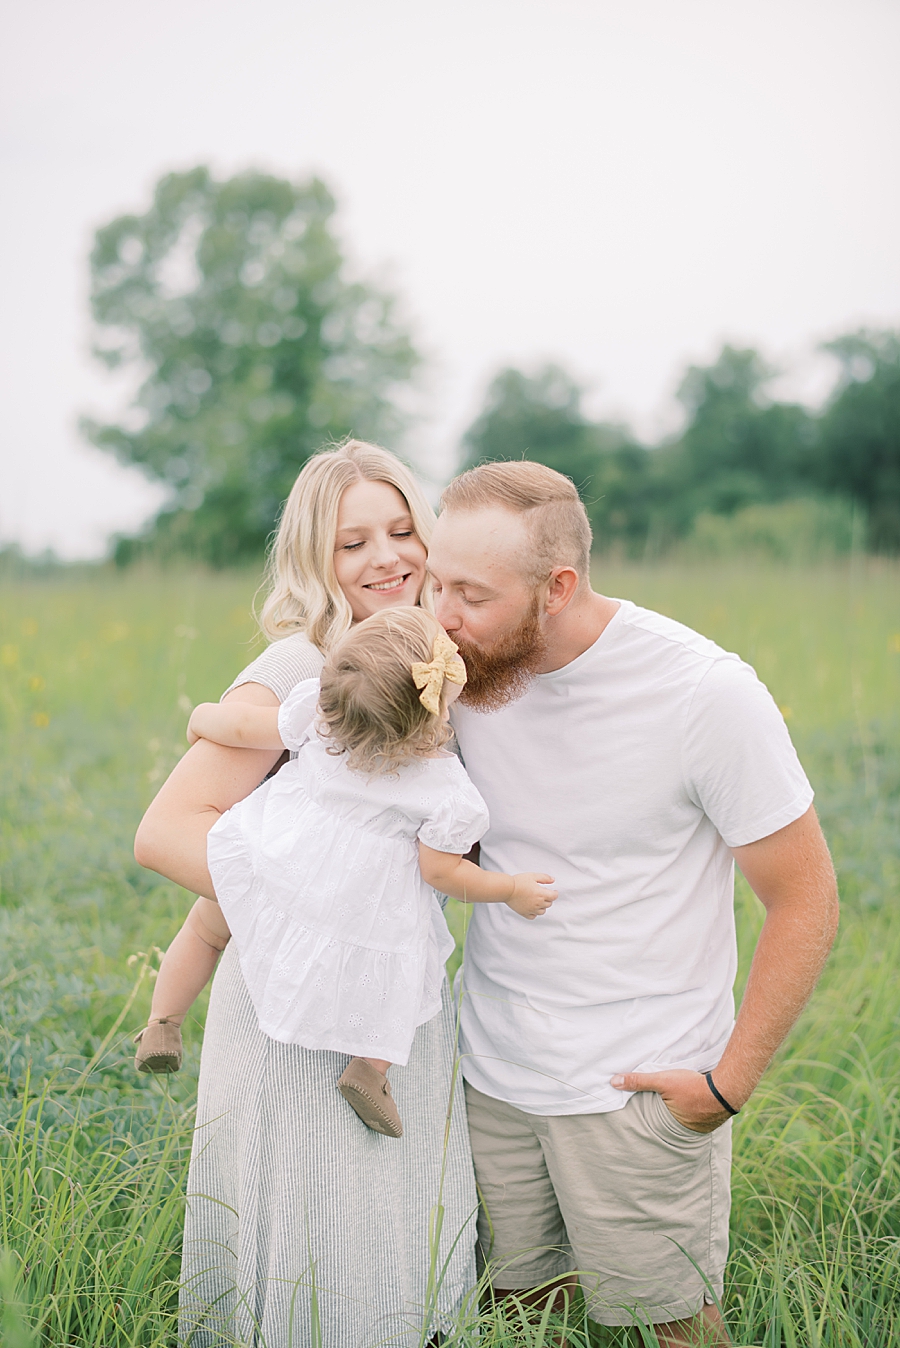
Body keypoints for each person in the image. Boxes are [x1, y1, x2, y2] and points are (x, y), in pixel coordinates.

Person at [426, 459, 840, 1347]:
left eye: (470, 592)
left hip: (634, 1092)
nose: (441, 614)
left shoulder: (703, 694)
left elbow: (806, 899)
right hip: (492, 1077)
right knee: (521, 1318)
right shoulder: (461, 673)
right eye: (434, 582)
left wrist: (725, 1088)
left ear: (557, 588)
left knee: (676, 1330)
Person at [133, 442, 480, 1348]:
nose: (387, 558)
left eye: (404, 530)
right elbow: (164, 830)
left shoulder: (433, 660)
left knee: (397, 1256)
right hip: (297, 1008)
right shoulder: (301, 666)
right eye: (352, 542)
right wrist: (327, 907)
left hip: (399, 1012)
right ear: (312, 559)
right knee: (314, 1272)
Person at [137, 607, 556, 1138]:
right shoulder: (443, 788)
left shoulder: (320, 713)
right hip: (361, 901)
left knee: (205, 926)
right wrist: (511, 889)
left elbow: (240, 727)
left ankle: (163, 1023)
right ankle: (368, 1069)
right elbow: (442, 873)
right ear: (429, 716)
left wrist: (199, 718)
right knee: (406, 976)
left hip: (277, 856)